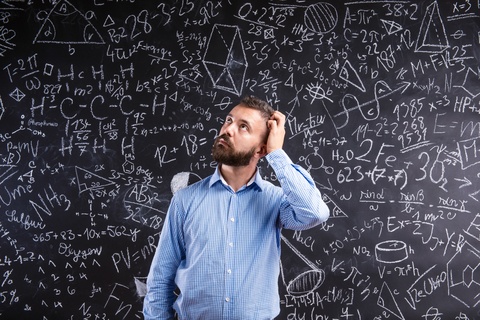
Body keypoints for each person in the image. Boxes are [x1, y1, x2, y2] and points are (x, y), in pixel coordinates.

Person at [143, 95, 330, 319]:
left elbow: (315, 213)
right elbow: (160, 281)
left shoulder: (276, 201)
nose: (229, 130)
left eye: (243, 127)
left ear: (261, 150)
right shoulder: (185, 201)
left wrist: (277, 154)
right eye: (229, 120)